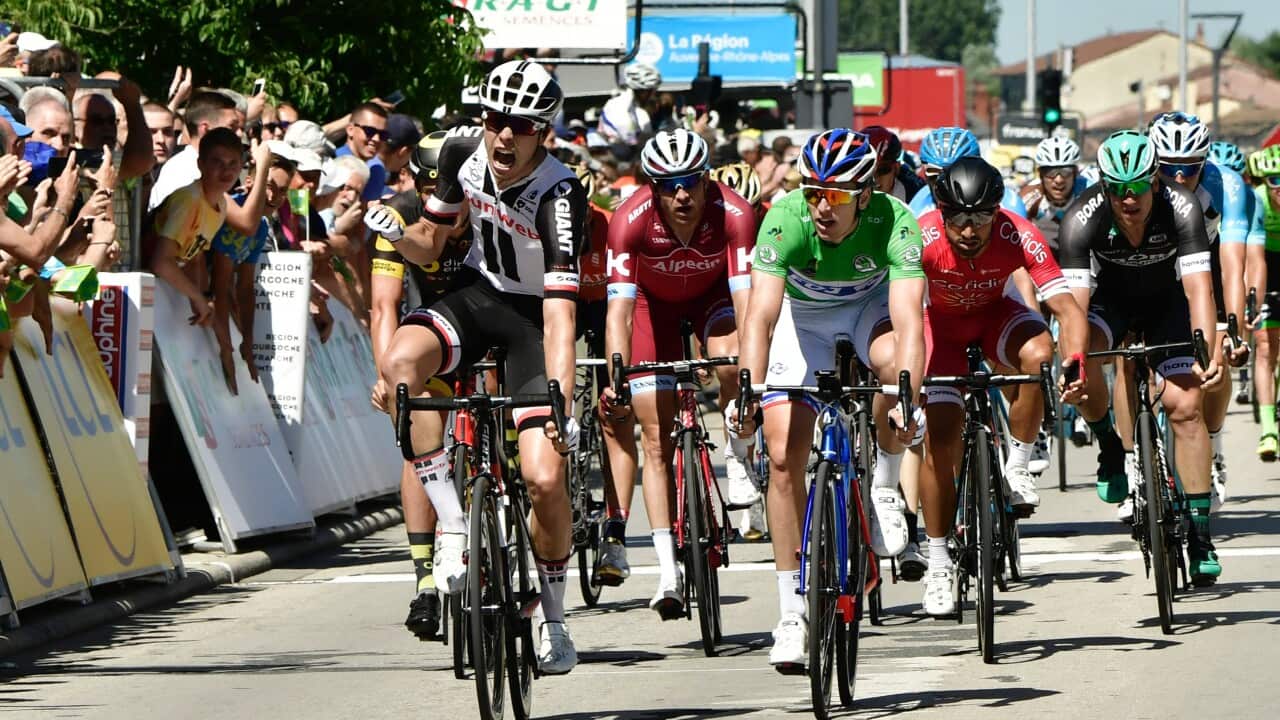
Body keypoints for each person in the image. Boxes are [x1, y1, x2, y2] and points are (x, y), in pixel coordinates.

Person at [373, 60, 586, 675]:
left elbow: (560, 320)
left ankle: (553, 620)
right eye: (494, 120)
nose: (502, 137)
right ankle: (457, 525)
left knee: (545, 479)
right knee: (401, 365)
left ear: (542, 132)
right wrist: (398, 233)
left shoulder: (559, 193)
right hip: (475, 295)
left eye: (519, 126)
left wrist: (561, 403)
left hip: (533, 317)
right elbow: (429, 245)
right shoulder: (462, 154)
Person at [736, 129, 925, 670]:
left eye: (836, 195)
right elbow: (761, 317)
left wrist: (906, 396)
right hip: (803, 320)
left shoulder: (895, 220)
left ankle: (884, 486)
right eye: (813, 191)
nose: (821, 206)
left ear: (864, 194)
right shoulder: (785, 217)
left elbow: (911, 320)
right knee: (780, 453)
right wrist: (748, 389)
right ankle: (791, 613)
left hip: (869, 311)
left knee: (893, 367)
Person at [915, 157, 1088, 615]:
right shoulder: (921, 237)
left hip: (993, 318)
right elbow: (903, 313)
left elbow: (1067, 310)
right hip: (939, 328)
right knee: (942, 437)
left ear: (998, 211)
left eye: (981, 218)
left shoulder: (1017, 232)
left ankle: (1019, 464)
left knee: (1037, 353)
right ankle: (937, 561)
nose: (969, 230)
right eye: (957, 218)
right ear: (940, 210)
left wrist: (1076, 362)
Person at [598, 129, 757, 619]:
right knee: (654, 435)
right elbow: (619, 313)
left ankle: (738, 449)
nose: (682, 194)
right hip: (651, 309)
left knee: (732, 359)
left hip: (713, 300)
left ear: (708, 179)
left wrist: (751, 379)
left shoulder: (735, 214)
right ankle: (667, 572)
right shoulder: (629, 220)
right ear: (652, 186)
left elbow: (748, 302)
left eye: (691, 181)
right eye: (669, 185)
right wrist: (616, 375)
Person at [1058, 130, 1223, 585]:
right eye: (1116, 188)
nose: (1127, 198)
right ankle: (1109, 444)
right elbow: (1073, 304)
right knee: (1079, 356)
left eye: (1136, 187)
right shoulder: (1081, 217)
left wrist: (1206, 350)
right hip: (1109, 302)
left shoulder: (1182, 207)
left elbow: (1198, 290)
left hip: (1167, 303)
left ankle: (1201, 531)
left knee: (1185, 409)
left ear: (1154, 181)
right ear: (1104, 185)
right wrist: (1073, 359)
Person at [364, 129, 475, 639]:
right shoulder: (401, 214)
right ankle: (424, 580)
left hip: (487, 324)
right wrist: (386, 373)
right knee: (417, 430)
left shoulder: (487, 204)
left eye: (447, 187)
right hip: (430, 327)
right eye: (431, 187)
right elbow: (384, 305)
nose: (439, 199)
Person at [1147, 112, 1250, 506]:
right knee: (1129, 358)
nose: (1177, 178)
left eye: (1188, 168)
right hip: (1156, 265)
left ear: (1203, 163)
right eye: (1167, 168)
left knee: (1217, 358)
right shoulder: (1141, 188)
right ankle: (1133, 459)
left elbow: (1233, 264)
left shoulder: (1226, 185)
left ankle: (1213, 439)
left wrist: (1234, 331)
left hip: (1205, 262)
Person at [209, 142, 296, 395]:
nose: (274, 197)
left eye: (282, 191)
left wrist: (249, 342)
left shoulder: (262, 229)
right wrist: (227, 347)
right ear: (250, 182)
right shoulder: (233, 212)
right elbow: (221, 286)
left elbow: (245, 287)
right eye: (268, 187)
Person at [149, 91, 240, 210]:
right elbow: (246, 224)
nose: (239, 134)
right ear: (206, 130)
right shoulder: (186, 171)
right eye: (232, 127)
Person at [909, 126, 1028, 218]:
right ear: (924, 172)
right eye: (934, 174)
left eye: (956, 177)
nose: (943, 185)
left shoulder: (1010, 206)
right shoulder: (917, 209)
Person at [1248, 145, 1280, 461]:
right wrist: (1253, 301)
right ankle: (1268, 430)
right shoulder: (1257, 200)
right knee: (1266, 347)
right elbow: (1253, 258)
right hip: (1266, 264)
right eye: (1274, 180)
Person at [598, 64, 660, 146]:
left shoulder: (634, 109)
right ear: (643, 92)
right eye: (652, 91)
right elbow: (634, 148)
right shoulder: (621, 112)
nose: (653, 96)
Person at [864, 125, 925, 204]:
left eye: (882, 170)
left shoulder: (916, 191)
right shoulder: (848, 188)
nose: (874, 179)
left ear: (896, 168)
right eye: (867, 171)